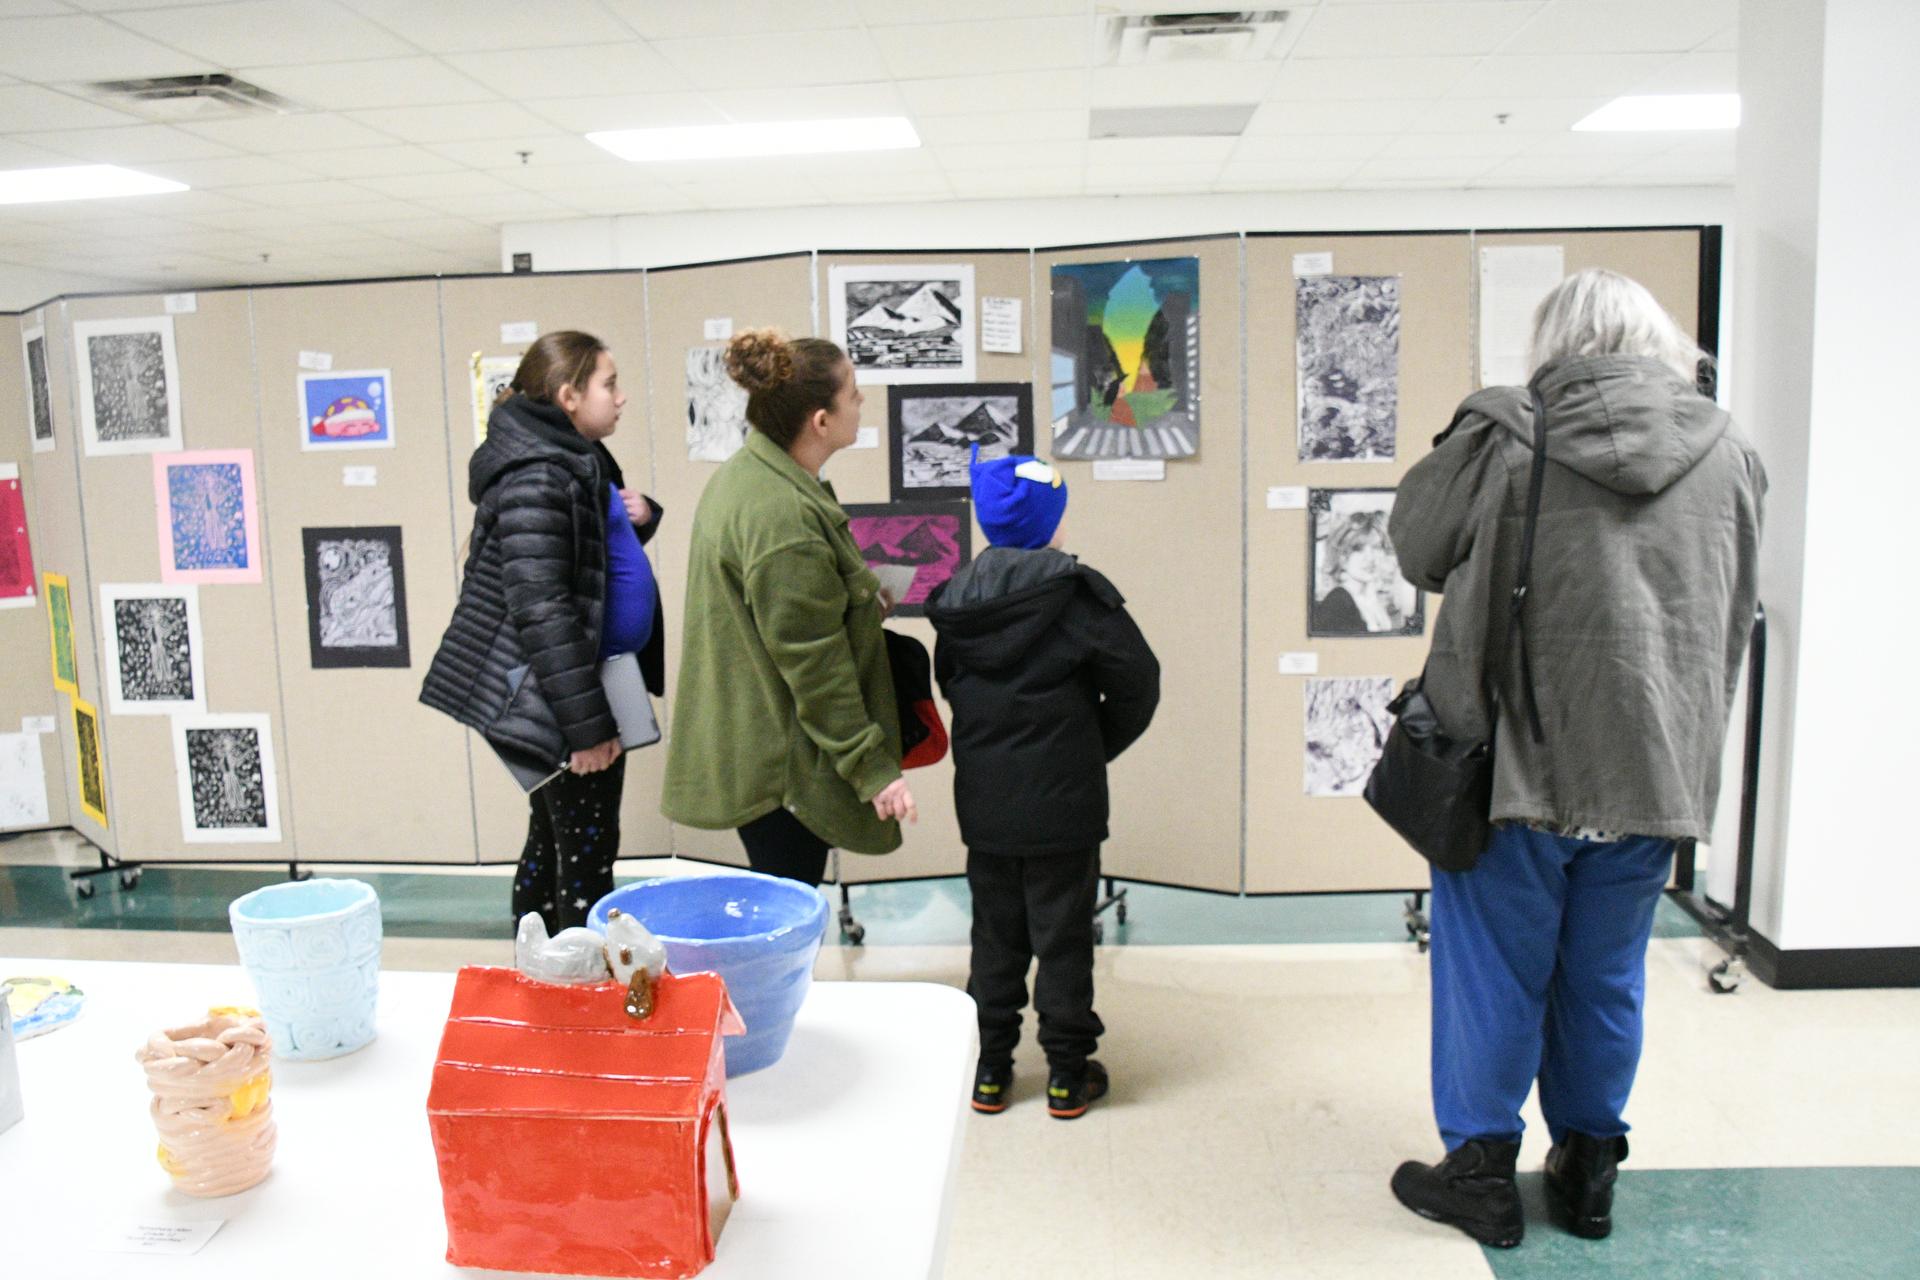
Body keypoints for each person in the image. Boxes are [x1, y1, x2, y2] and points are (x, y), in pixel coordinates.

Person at [1384, 269, 1765, 1247]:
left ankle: (1480, 1170)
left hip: (1514, 765)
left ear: (1553, 345)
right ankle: (1588, 1168)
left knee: (1494, 974)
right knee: (1606, 977)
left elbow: (1417, 548)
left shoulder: (1507, 433)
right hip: (1654, 774)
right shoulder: (1730, 451)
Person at [926, 448, 1159, 1120]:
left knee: (995, 937)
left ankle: (990, 1072)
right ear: (1052, 521)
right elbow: (1139, 681)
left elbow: (953, 689)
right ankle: (1065, 1075)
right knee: (1062, 938)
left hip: (986, 804)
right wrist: (1091, 749)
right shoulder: (1078, 595)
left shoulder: (959, 604)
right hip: (1067, 805)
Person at [420, 330, 665, 933]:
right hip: (561, 689)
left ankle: (541, 977)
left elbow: (589, 557)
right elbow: (543, 608)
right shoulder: (539, 473)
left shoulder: (576, 454)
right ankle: (573, 989)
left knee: (556, 836)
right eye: (609, 384)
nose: (621, 397)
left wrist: (644, 514)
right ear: (569, 395)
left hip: (580, 675)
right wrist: (586, 729)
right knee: (583, 850)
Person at [661, 329, 916, 887]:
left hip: (767, 752)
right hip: (785, 769)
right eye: (852, 392)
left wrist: (857, 602)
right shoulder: (782, 515)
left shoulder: (757, 478)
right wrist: (873, 771)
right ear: (820, 421)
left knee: (780, 918)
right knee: (786, 930)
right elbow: (814, 665)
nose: (862, 401)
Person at [1312, 510, 1405, 634]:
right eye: (1359, 549)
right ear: (1342, 557)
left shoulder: (1371, 600)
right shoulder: (1338, 603)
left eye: (1376, 547)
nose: (1370, 557)